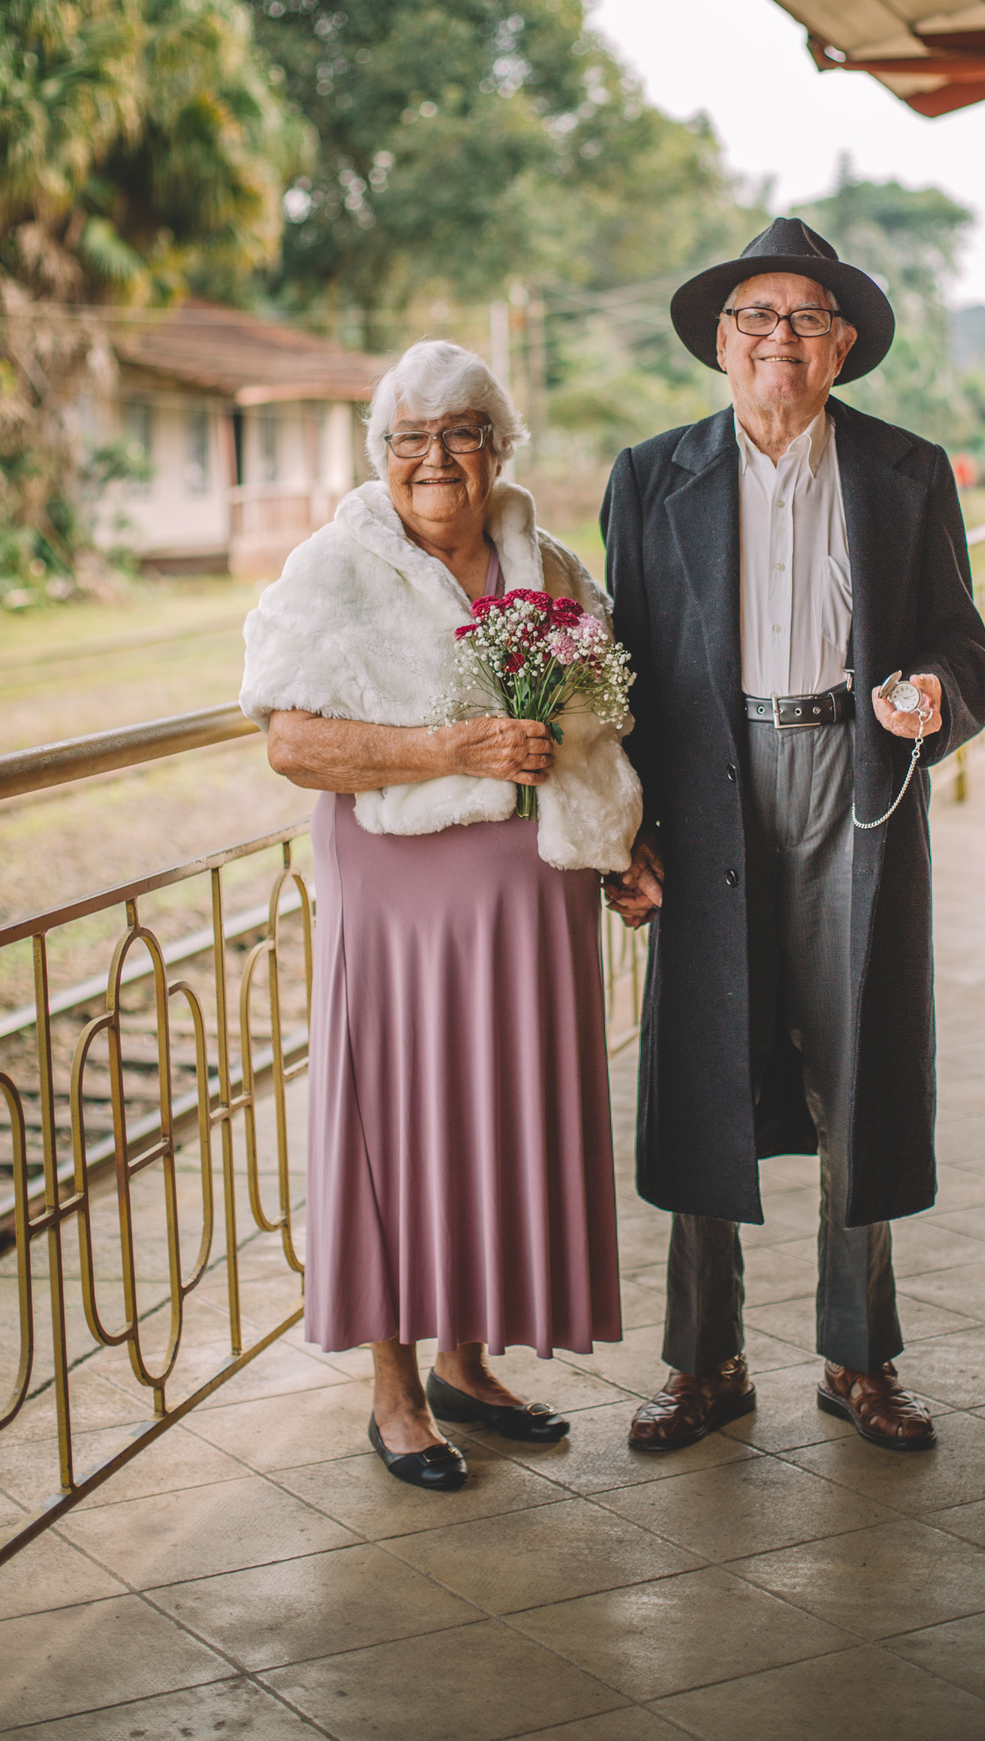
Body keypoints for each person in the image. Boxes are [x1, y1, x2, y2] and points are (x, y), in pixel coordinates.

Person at [601, 219, 985, 1454]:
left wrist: (931, 695)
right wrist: (619, 833)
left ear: (843, 348)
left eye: (808, 321)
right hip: (707, 791)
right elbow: (618, 678)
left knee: (859, 1063)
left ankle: (858, 1359)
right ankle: (703, 1362)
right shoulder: (651, 475)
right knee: (703, 1059)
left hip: (855, 781)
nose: (781, 339)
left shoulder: (904, 471)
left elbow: (961, 643)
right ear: (720, 343)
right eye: (758, 319)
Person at [240, 340, 641, 1491]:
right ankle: (396, 1391)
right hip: (400, 898)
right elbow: (291, 742)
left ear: (497, 447)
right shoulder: (332, 569)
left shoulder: (548, 562)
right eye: (410, 438)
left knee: (495, 1121)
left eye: (461, 432)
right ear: (381, 455)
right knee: (400, 1126)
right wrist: (448, 749)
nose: (436, 458)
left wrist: (622, 844)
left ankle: (468, 1364)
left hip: (532, 897)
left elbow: (598, 727)